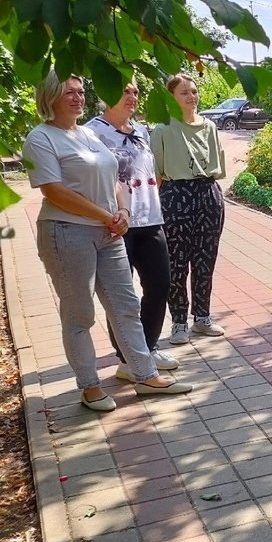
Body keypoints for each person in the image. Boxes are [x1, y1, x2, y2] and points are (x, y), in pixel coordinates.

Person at [22, 73, 193, 411]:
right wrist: (106, 216)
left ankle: (144, 376)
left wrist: (124, 212)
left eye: (80, 91)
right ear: (50, 97)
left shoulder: (87, 134)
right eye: (68, 92)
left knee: (125, 305)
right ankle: (89, 386)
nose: (77, 97)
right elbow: (54, 191)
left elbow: (115, 177)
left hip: (110, 231)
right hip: (67, 233)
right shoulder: (41, 138)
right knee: (79, 314)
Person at [87, 79, 180, 372]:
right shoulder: (91, 132)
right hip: (116, 224)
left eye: (135, 92)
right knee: (121, 296)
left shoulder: (141, 130)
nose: (132, 96)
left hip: (150, 220)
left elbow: (150, 172)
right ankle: (128, 359)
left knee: (160, 285)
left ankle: (148, 349)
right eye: (124, 90)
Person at [150, 73, 227, 345]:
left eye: (194, 91)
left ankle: (202, 318)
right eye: (184, 93)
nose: (191, 97)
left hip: (208, 193)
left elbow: (218, 166)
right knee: (177, 262)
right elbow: (156, 174)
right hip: (176, 194)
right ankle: (179, 321)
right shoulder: (162, 129)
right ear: (171, 97)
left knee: (206, 260)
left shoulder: (210, 126)